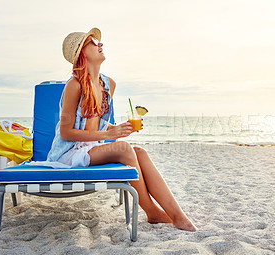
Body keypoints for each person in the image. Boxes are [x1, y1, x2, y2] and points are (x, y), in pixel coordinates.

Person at [48, 28, 196, 232]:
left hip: (93, 148)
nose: (100, 44)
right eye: (92, 42)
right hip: (69, 153)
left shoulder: (108, 85)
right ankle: (152, 212)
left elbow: (97, 124)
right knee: (125, 149)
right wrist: (109, 135)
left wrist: (118, 128)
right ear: (82, 53)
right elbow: (66, 132)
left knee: (140, 153)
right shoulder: (73, 86)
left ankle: (178, 215)